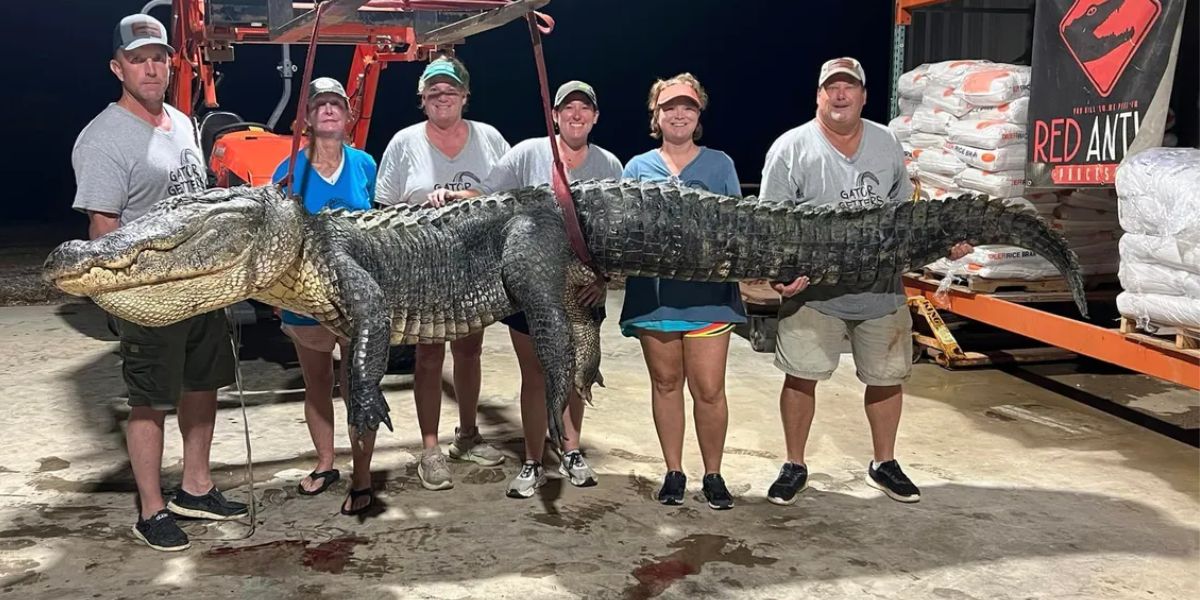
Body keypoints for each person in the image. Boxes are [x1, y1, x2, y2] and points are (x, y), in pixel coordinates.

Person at [758, 57, 972, 506]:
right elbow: (769, 225)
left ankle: (884, 462)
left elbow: (903, 217)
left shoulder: (886, 142)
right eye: (831, 87)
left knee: (886, 377)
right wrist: (780, 278)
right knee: (800, 377)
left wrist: (944, 241)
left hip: (879, 290)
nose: (840, 95)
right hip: (814, 294)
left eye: (849, 87)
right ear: (818, 95)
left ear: (863, 95)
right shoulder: (791, 147)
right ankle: (795, 463)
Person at [71, 14, 247, 552]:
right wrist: (124, 299)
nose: (150, 68)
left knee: (203, 385)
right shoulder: (103, 138)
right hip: (149, 295)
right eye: (137, 59)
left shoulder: (182, 121)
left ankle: (196, 487)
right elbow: (103, 229)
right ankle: (150, 509)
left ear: (170, 63)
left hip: (200, 287)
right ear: (117, 67)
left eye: (158, 58)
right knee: (150, 399)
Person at [449, 81, 622, 498]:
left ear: (596, 116)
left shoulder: (609, 165)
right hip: (529, 288)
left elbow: (616, 233)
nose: (576, 115)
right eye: (568, 108)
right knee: (537, 374)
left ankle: (572, 449)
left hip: (582, 288)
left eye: (584, 108)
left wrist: (605, 280)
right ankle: (532, 459)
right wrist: (452, 197)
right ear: (555, 116)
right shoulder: (527, 152)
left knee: (578, 371)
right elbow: (487, 195)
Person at [375, 55, 509, 490]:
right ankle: (430, 448)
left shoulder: (490, 138)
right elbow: (382, 210)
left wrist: (466, 196)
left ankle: (467, 436)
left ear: (465, 96)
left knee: (470, 352)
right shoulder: (403, 142)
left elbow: (511, 199)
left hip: (475, 268)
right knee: (429, 356)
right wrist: (417, 207)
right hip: (425, 270)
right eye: (433, 91)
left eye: (450, 89)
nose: (441, 96)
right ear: (422, 99)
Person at [619, 73, 745, 510]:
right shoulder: (636, 168)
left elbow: (739, 229)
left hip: (709, 297)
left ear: (698, 114)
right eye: (669, 106)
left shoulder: (720, 165)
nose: (679, 113)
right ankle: (674, 471)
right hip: (655, 299)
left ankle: (713, 473)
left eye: (688, 106)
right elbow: (625, 231)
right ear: (656, 114)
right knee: (666, 383)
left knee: (709, 388)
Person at [271, 77, 380, 515]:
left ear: (349, 117)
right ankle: (325, 462)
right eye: (320, 105)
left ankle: (364, 473)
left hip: (356, 299)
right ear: (307, 119)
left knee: (359, 384)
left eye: (336, 103)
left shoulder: (366, 165)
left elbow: (379, 231)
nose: (329, 110)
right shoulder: (289, 171)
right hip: (307, 301)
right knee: (317, 382)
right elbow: (279, 238)